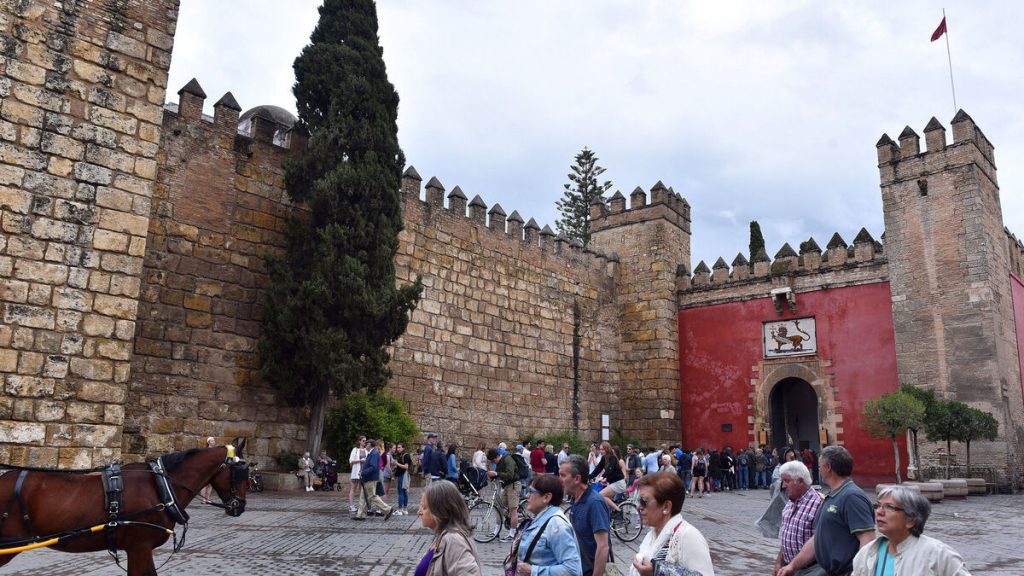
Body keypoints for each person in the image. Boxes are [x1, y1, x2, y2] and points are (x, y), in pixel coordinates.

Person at [779, 446, 874, 576]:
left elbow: (867, 540)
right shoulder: (831, 496)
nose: (819, 469)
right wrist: (792, 566)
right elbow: (816, 539)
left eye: (820, 465)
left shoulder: (852, 496)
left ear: (828, 467)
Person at [852, 485, 971, 576]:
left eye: (889, 507)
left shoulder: (938, 554)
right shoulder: (868, 552)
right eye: (878, 505)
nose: (879, 512)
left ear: (911, 520)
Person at [629, 471, 715, 576]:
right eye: (639, 500)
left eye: (644, 501)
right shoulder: (653, 534)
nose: (638, 506)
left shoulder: (688, 536)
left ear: (666, 507)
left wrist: (659, 571)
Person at [511, 473, 582, 576]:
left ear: (546, 497)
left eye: (531, 491)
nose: (527, 495)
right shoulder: (541, 518)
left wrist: (533, 571)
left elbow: (572, 569)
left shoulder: (557, 525)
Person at [415, 480, 482, 576]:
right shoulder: (443, 535)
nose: (419, 512)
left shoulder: (454, 539)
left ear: (439, 510)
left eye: (424, 507)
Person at [560, 454, 610, 576]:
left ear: (577, 479)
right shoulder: (576, 499)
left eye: (563, 475)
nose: (559, 479)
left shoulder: (594, 503)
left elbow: (603, 547)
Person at [773, 461, 823, 576]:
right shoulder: (790, 503)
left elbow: (820, 542)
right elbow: (787, 537)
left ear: (800, 481)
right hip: (789, 568)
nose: (784, 486)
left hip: (811, 570)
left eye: (787, 481)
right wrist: (779, 563)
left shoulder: (818, 504)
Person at [758, 446, 798, 538]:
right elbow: (776, 482)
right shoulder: (779, 468)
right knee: (786, 522)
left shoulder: (796, 467)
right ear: (784, 457)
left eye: (792, 456)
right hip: (784, 499)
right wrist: (783, 482)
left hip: (796, 499)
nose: (791, 458)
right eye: (789, 456)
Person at [353, 437, 394, 521]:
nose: (365, 445)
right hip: (368, 478)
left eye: (366, 443)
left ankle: (387, 509)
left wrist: (363, 472)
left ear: (370, 445)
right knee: (363, 497)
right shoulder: (372, 453)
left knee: (372, 496)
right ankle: (360, 515)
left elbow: (373, 467)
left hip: (370, 479)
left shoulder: (374, 453)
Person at [486, 447, 520, 542]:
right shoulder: (499, 462)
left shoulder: (508, 459)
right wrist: (491, 475)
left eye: (493, 460)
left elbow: (510, 475)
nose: (494, 463)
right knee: (499, 508)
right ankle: (496, 532)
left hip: (514, 485)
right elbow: (499, 475)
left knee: (513, 510)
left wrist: (496, 473)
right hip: (506, 486)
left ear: (497, 456)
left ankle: (512, 534)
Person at [594, 442, 627, 513]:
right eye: (600, 449)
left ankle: (618, 511)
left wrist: (602, 477)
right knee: (606, 502)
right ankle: (610, 518)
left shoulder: (613, 458)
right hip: (612, 483)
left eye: (602, 449)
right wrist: (588, 476)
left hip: (619, 483)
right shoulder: (604, 458)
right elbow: (598, 469)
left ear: (607, 449)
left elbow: (609, 469)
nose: (601, 451)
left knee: (601, 495)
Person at [348, 437, 366, 512]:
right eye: (363, 441)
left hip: (364, 472)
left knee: (362, 489)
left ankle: (361, 505)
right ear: (359, 441)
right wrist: (360, 460)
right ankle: (351, 506)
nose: (365, 442)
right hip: (356, 472)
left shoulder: (366, 450)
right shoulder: (355, 450)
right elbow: (351, 461)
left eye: (365, 441)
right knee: (353, 488)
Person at [394, 442, 413, 515]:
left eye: (399, 447)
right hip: (402, 475)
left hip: (403, 476)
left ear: (403, 448)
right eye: (397, 447)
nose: (398, 449)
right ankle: (405, 509)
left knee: (401, 492)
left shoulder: (406, 456)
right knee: (404, 492)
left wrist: (397, 464)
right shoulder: (402, 455)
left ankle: (400, 509)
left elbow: (406, 466)